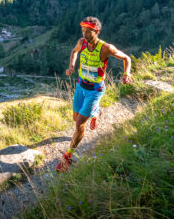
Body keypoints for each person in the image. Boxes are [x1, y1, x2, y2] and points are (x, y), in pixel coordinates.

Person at [55, 16, 132, 172]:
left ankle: (68, 156)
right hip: (80, 87)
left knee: (79, 124)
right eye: (83, 30)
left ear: (96, 31)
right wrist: (71, 66)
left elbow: (126, 57)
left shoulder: (106, 48)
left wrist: (127, 73)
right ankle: (95, 112)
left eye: (88, 32)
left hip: (95, 91)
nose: (85, 34)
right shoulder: (81, 42)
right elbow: (73, 51)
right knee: (75, 118)